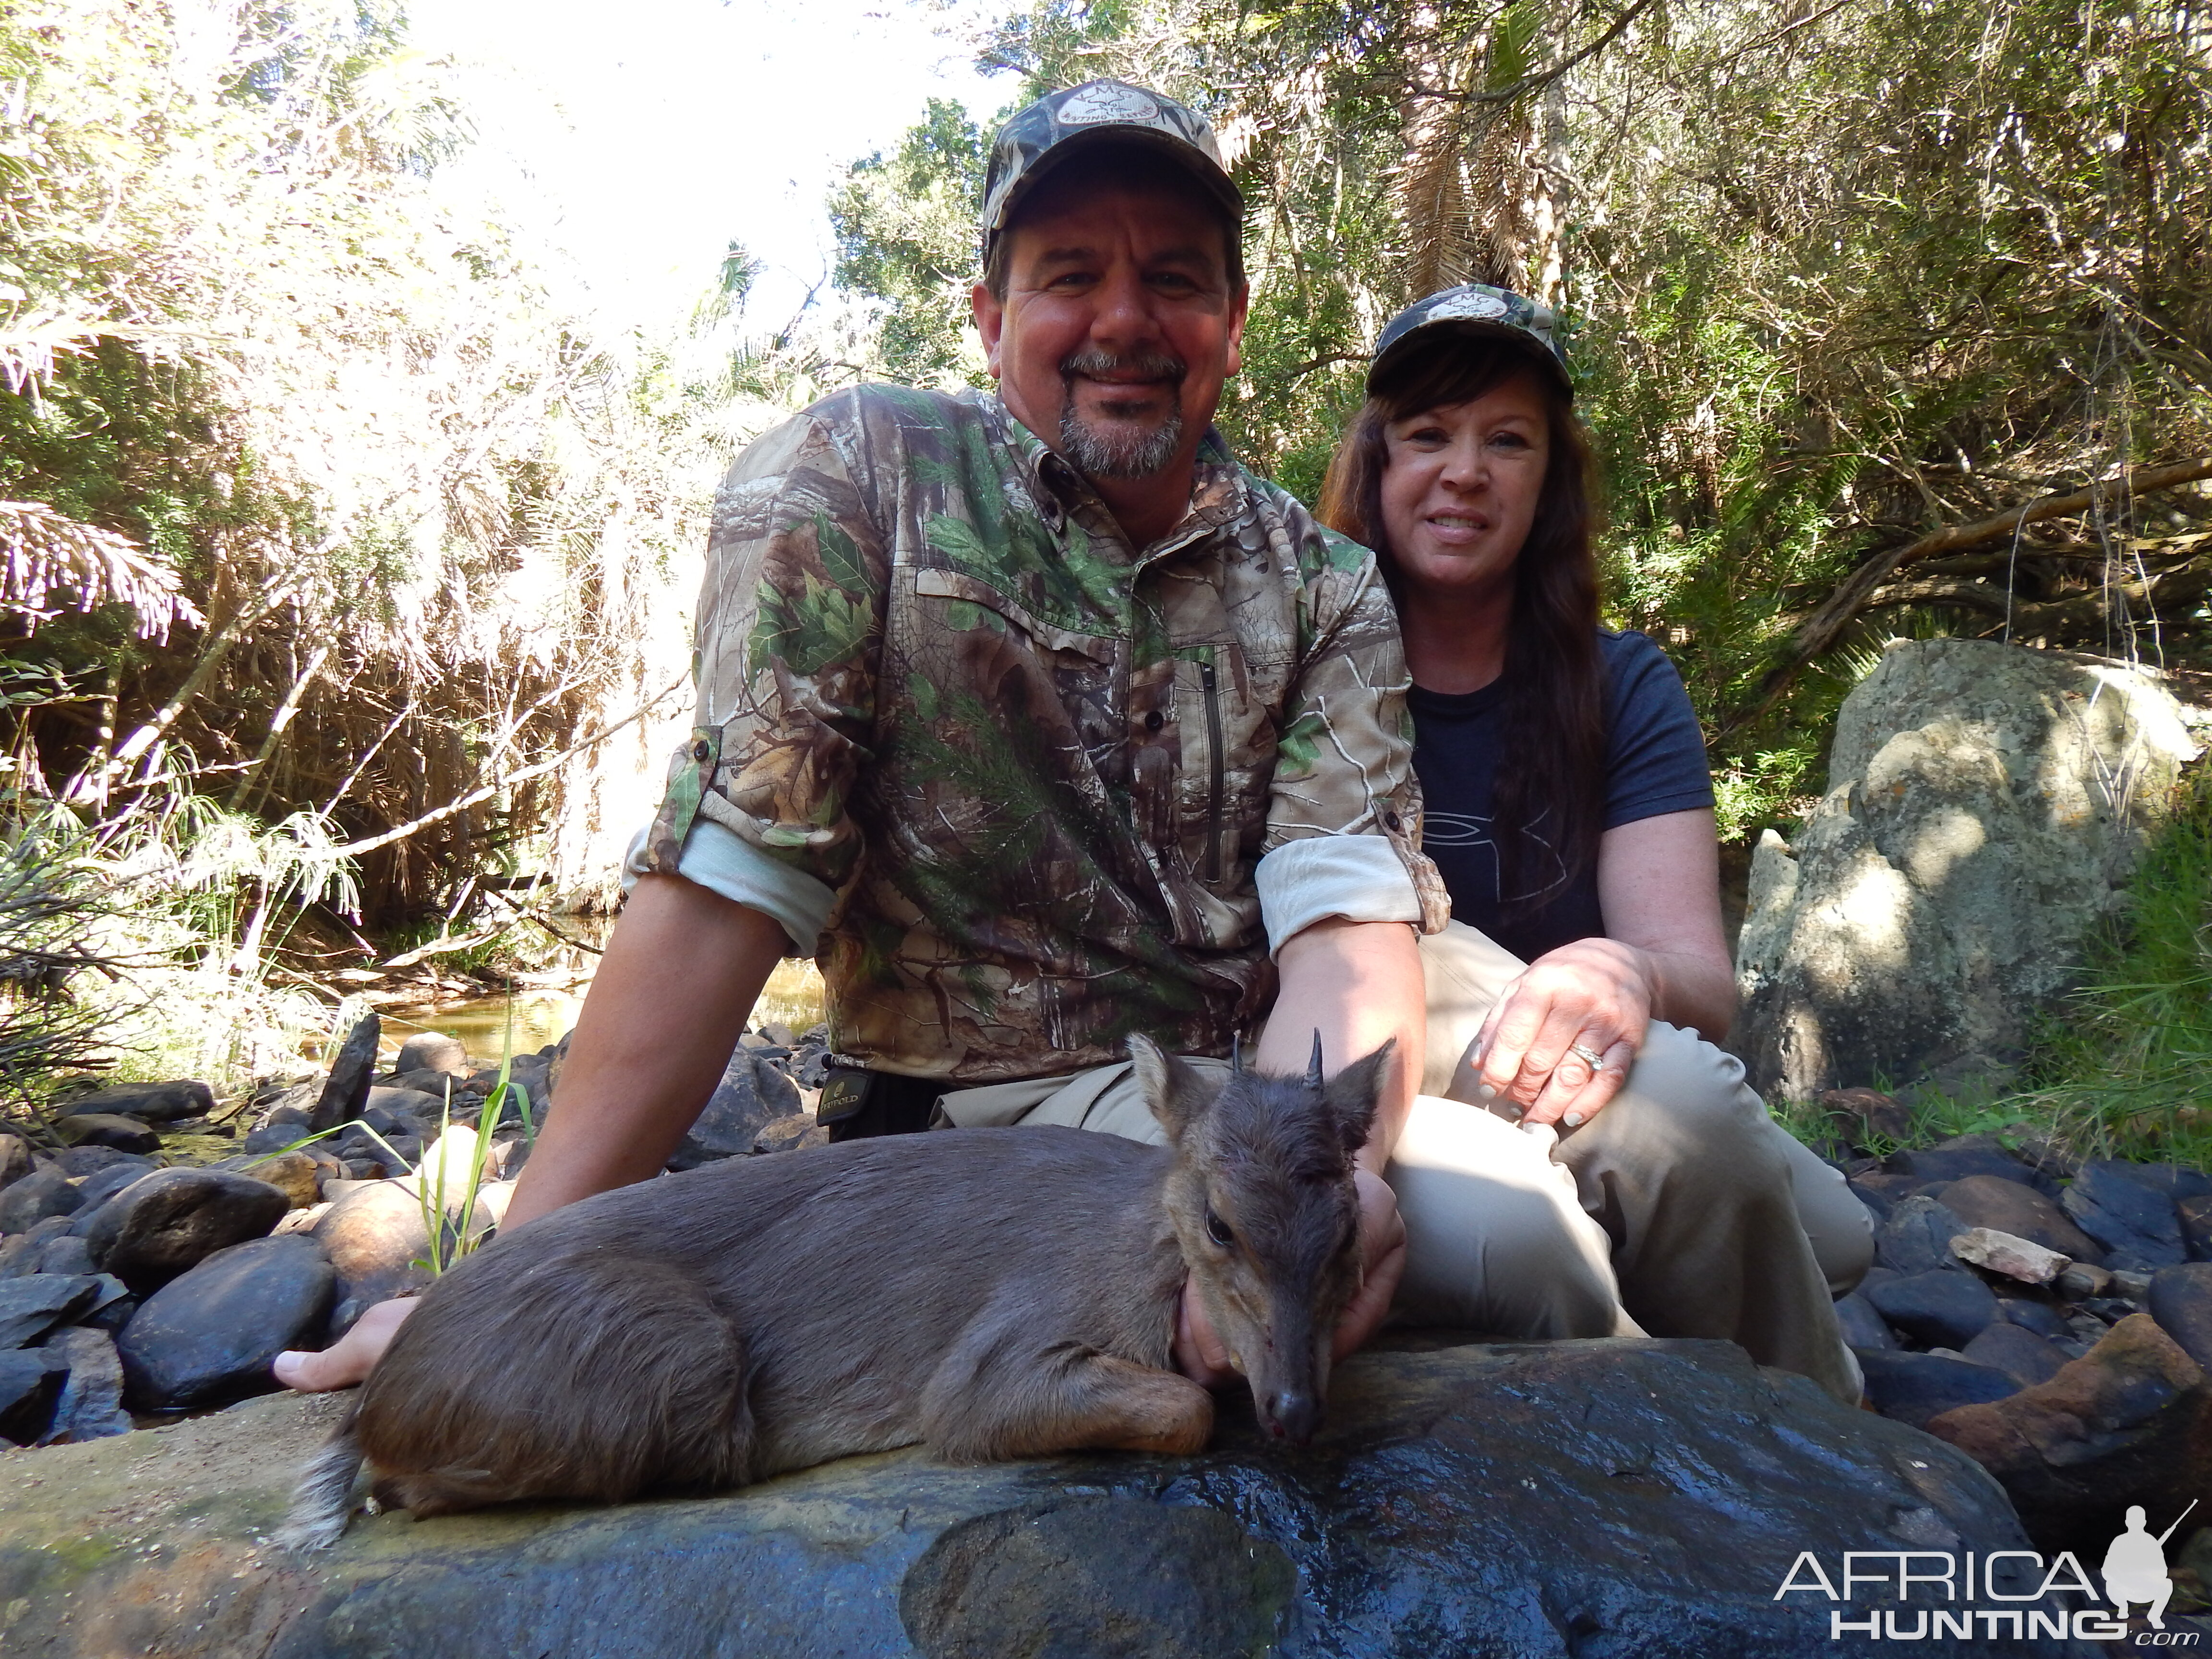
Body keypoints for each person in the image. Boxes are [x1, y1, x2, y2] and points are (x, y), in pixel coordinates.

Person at [278, 78, 1443, 1394]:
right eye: (1071, 275)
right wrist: (502, 1296)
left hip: (1248, 1094)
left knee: (1622, 1180)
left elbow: (1347, 927)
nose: (1125, 319)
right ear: (992, 318)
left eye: (1174, 278)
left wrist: (1311, 1173)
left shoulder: (1325, 579)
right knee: (1501, 1250)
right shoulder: (855, 483)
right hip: (989, 1128)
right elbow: (730, 886)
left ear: (1230, 322)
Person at [1312, 283, 1871, 1399]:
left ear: (1549, 482)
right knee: (1677, 1172)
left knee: (1842, 1235)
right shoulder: (1304, 666)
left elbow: (1701, 981)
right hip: (1401, 1058)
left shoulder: (1623, 686)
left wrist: (1624, 966)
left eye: (1506, 441)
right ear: (1376, 466)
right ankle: (1825, 1442)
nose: (1464, 470)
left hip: (1593, 1072)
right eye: (1428, 435)